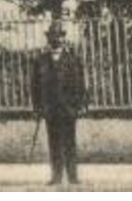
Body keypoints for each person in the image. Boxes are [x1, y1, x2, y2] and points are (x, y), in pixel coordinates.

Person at [30, 20, 89, 185]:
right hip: (50, 109)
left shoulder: (72, 59)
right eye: (53, 36)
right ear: (49, 39)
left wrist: (81, 104)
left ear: (63, 38)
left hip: (68, 108)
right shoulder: (40, 61)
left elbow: (80, 84)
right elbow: (34, 86)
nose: (56, 39)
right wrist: (37, 107)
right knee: (54, 142)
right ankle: (56, 176)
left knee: (70, 142)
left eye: (59, 36)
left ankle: (72, 176)